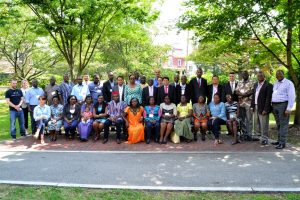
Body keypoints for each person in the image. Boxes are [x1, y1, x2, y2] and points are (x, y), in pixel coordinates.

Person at [271, 70, 296, 149]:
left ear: (283, 74)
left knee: (283, 125)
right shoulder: (275, 83)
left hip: (283, 105)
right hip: (275, 106)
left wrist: (288, 108)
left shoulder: (289, 83)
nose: (278, 75)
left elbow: (292, 96)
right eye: (277, 74)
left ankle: (282, 143)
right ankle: (279, 140)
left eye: (280, 74)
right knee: (278, 124)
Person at [251, 71, 273, 145]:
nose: (259, 77)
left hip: (263, 107)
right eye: (258, 76)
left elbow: (268, 98)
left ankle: (264, 138)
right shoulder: (255, 85)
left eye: (261, 76)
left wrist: (266, 109)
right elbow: (254, 96)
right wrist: (252, 106)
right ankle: (257, 136)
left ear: (264, 77)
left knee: (264, 124)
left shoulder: (268, 85)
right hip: (256, 106)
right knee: (256, 122)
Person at [235, 71, 255, 141]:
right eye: (243, 74)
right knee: (242, 119)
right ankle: (244, 134)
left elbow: (252, 91)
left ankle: (249, 135)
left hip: (248, 103)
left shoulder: (252, 82)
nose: (244, 75)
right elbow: (236, 91)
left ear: (248, 75)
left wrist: (243, 95)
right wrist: (241, 94)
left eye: (246, 74)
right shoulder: (239, 82)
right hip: (241, 104)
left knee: (249, 119)